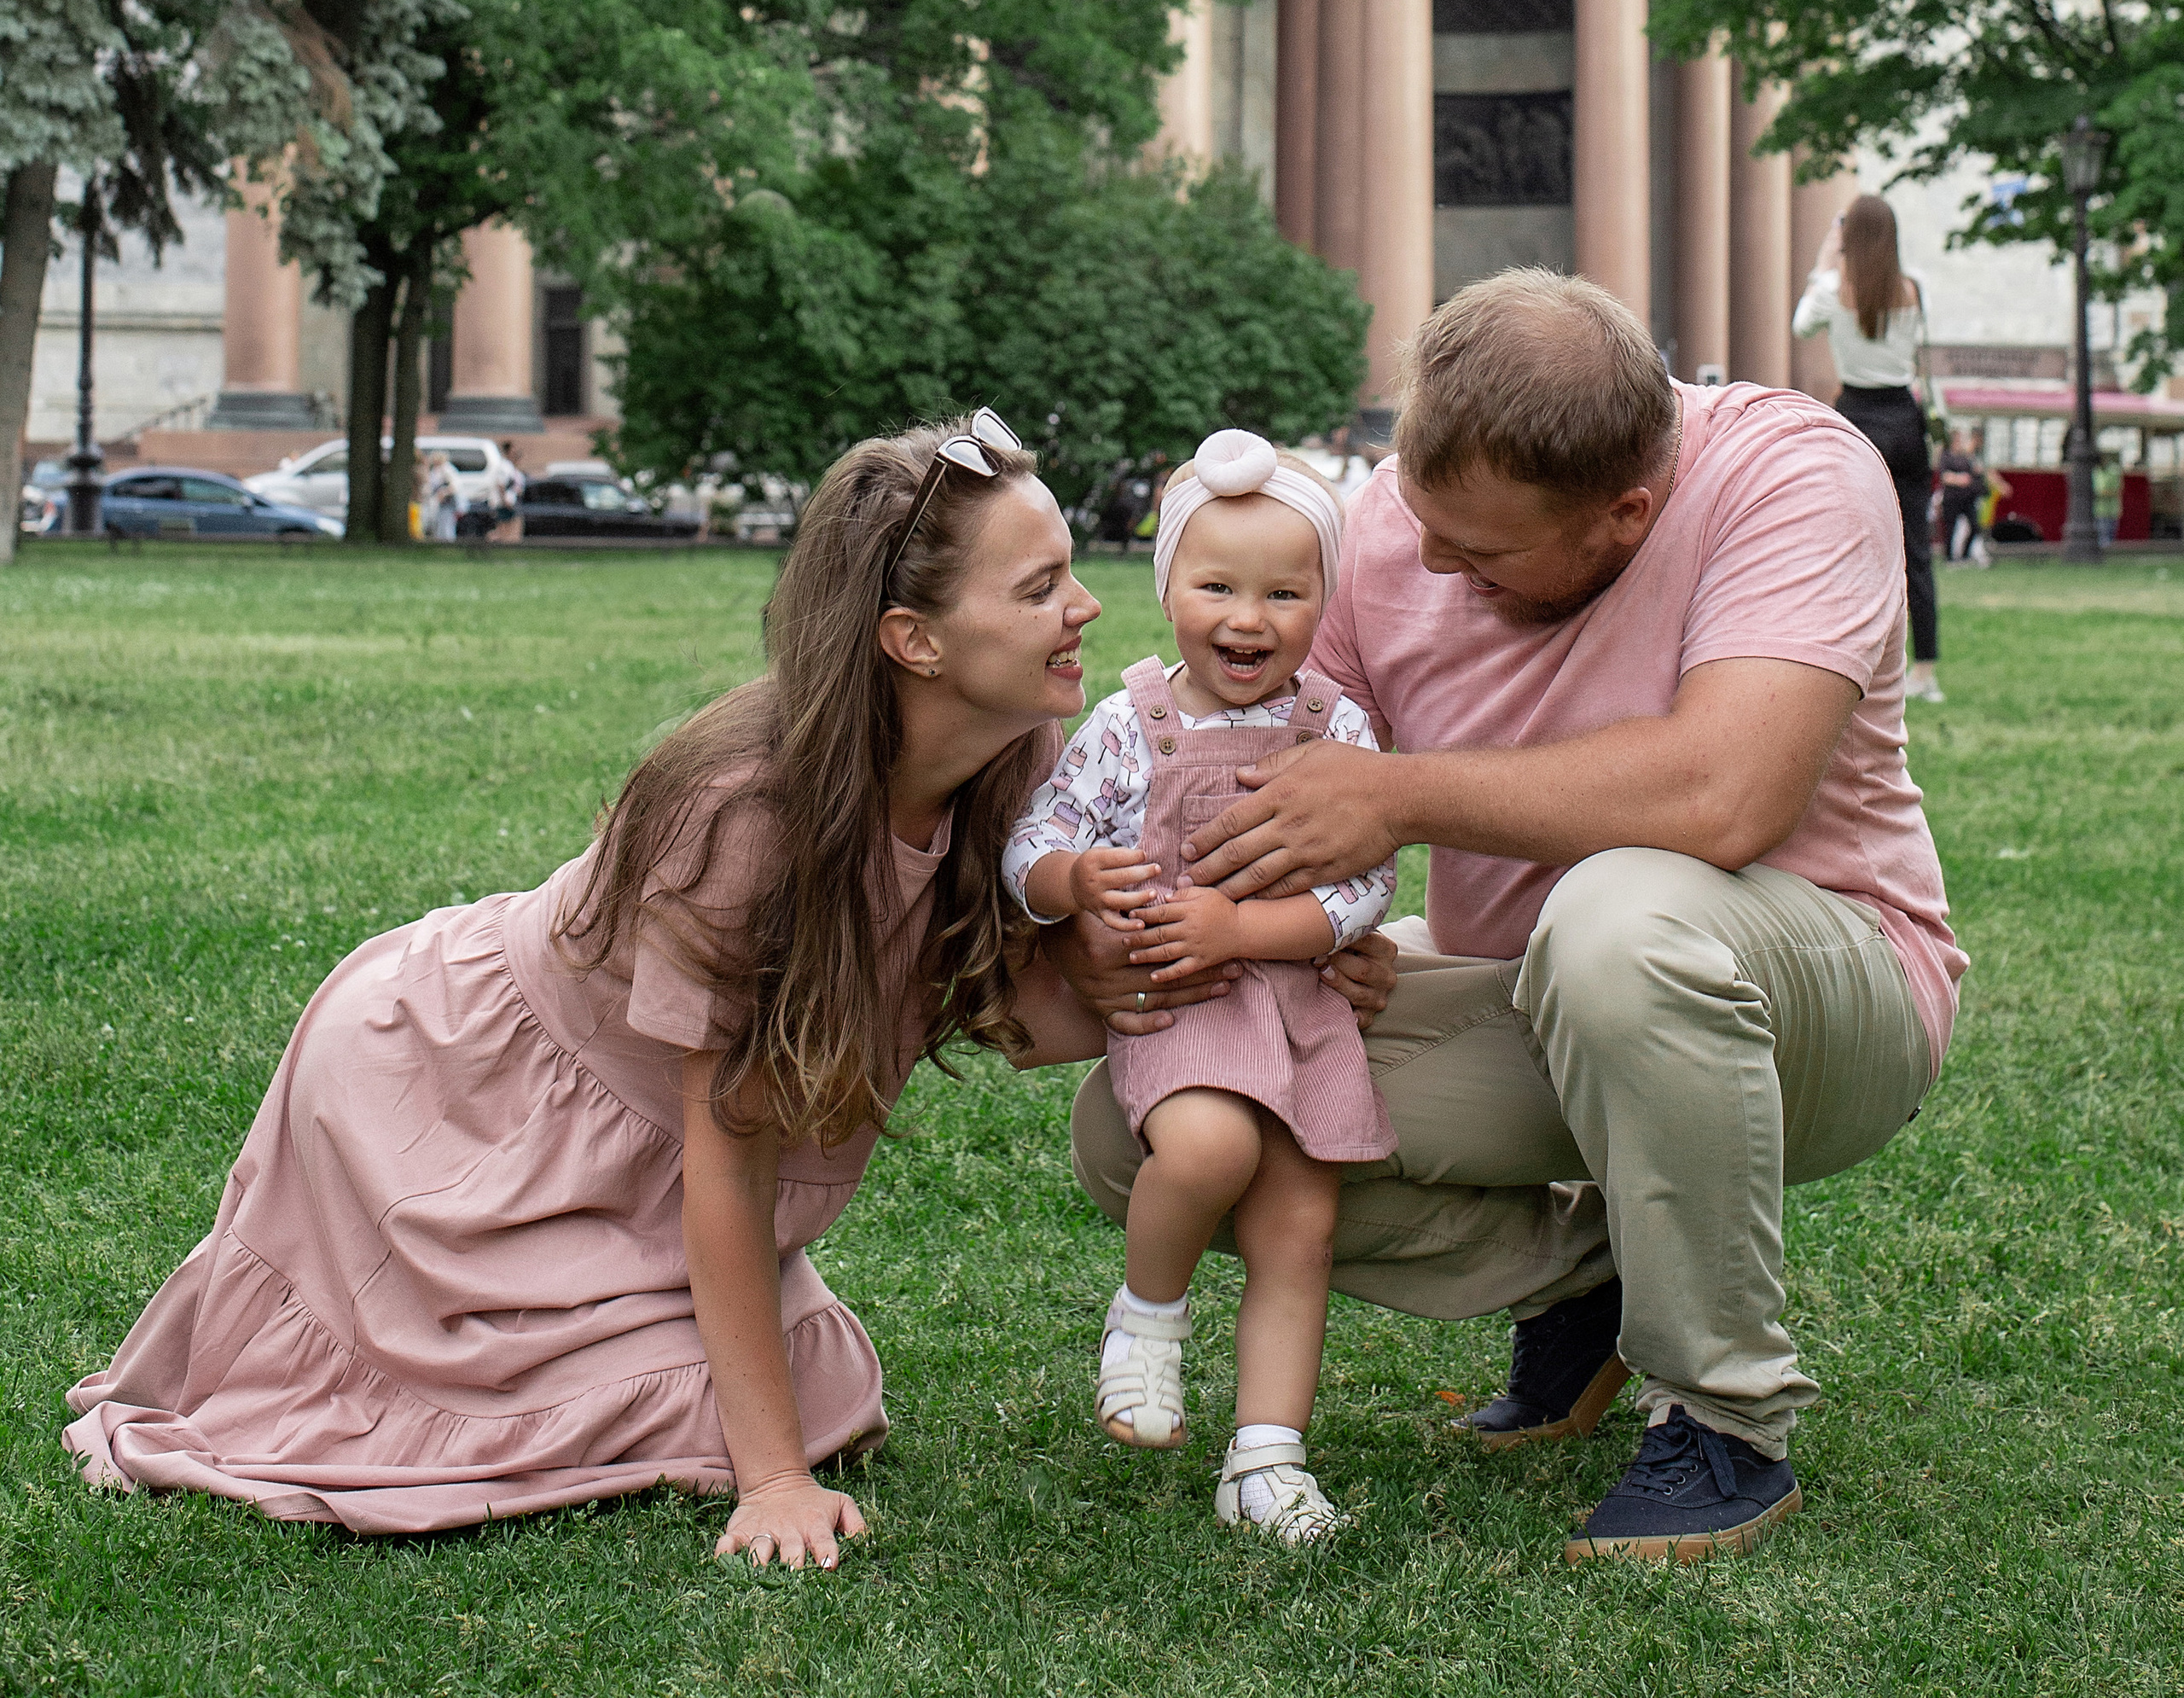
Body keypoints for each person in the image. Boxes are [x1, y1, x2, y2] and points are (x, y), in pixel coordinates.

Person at [64, 411, 1107, 1566]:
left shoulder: (1014, 761)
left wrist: (1217, 941)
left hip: (636, 1153)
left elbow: (1038, 1014)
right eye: (1040, 587)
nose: (1086, 607)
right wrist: (772, 1482)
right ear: (913, 640)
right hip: (462, 1107)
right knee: (761, 1416)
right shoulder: (746, 820)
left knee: (830, 1384)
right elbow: (731, 1157)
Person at [1054, 272, 1965, 1566]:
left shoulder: (1792, 475)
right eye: (1423, 522)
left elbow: (1727, 794)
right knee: (1154, 1130)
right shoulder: (1395, 525)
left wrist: (1396, 797)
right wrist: (1147, 924)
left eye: (1480, 552)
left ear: (1626, 511)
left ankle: (1725, 1420)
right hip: (1529, 992)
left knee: (1616, 920)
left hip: (1816, 995)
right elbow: (1276, 783)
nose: (1430, 562)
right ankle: (1604, 1275)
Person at [1005, 433, 1394, 1545]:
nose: (1248, 618)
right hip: (1182, 1000)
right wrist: (1071, 882)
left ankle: (1267, 1460)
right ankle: (1147, 1320)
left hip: (1302, 1010)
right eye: (1217, 586)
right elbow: (1034, 839)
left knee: (1299, 1230)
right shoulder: (1131, 724)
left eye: (1285, 593)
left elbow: (1368, 882)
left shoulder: (1337, 727)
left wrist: (1254, 926)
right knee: (1211, 1149)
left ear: (1322, 601)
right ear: (1167, 586)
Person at [1792, 195, 1943, 700]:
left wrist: (1823, 262)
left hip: (1857, 418)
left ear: (1848, 236)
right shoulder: (1913, 289)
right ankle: (1925, 671)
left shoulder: (1834, 290)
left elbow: (1801, 326)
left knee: (1849, 543)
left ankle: (1850, 661)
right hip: (1905, 418)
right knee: (1915, 549)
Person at [1935, 431, 1991, 566]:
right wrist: (1959, 479)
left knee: (1975, 526)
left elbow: (1974, 472)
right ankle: (1949, 558)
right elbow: (1944, 477)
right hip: (1952, 498)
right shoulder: (1946, 456)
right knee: (1951, 528)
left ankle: (1965, 554)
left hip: (1967, 498)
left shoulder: (1966, 457)